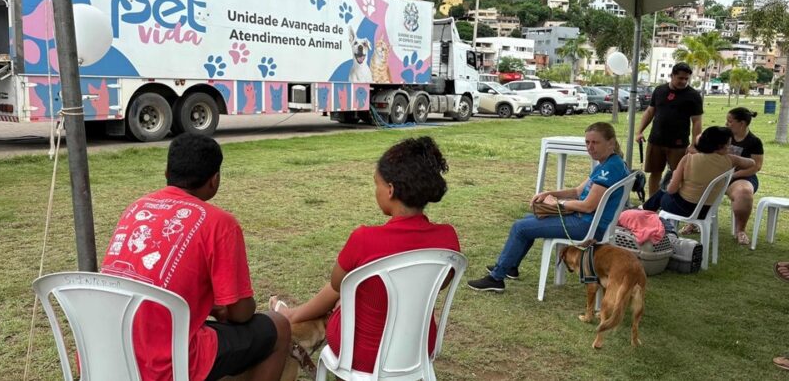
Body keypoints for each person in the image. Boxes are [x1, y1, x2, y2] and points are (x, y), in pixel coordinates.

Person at [100, 133, 291, 381]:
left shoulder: (137, 207)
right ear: (215, 180)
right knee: (279, 326)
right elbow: (240, 313)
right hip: (167, 362)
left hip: (104, 352)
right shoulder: (220, 224)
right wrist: (227, 308)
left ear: (167, 172)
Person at [271, 136, 460, 373]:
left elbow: (336, 284)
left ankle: (293, 317)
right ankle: (293, 315)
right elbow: (440, 285)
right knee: (356, 289)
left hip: (361, 354)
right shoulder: (448, 239)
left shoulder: (364, 239)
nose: (375, 190)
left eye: (376, 184)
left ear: (390, 190)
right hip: (419, 347)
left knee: (344, 293)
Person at [468, 122, 629, 292]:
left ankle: (496, 278)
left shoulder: (609, 169)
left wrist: (558, 203)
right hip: (587, 221)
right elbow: (577, 191)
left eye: (595, 142)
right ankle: (510, 266)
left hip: (587, 226)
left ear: (611, 143)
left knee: (520, 227)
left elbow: (588, 206)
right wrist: (549, 193)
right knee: (528, 221)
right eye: (587, 142)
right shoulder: (610, 163)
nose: (590, 147)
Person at [642, 126, 754, 225]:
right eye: (729, 145)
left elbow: (672, 190)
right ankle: (644, 210)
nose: (730, 148)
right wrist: (729, 156)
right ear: (721, 146)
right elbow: (751, 163)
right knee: (664, 193)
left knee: (663, 191)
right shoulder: (730, 160)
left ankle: (643, 212)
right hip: (708, 210)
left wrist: (674, 178)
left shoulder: (688, 158)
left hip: (684, 208)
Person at [636, 62, 704, 196]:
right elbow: (650, 112)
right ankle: (652, 205)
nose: (683, 81)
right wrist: (639, 131)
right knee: (655, 173)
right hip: (656, 140)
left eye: (686, 79)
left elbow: (696, 121)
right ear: (672, 75)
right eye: (680, 78)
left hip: (678, 144)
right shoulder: (659, 90)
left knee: (678, 175)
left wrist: (693, 145)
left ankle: (672, 206)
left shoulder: (693, 95)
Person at [725, 107, 764, 245]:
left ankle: (740, 230)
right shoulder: (724, 136)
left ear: (742, 123)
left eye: (730, 121)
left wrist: (735, 175)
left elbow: (756, 166)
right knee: (698, 183)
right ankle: (695, 222)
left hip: (744, 177)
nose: (726, 124)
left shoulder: (754, 142)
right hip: (722, 175)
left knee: (744, 192)